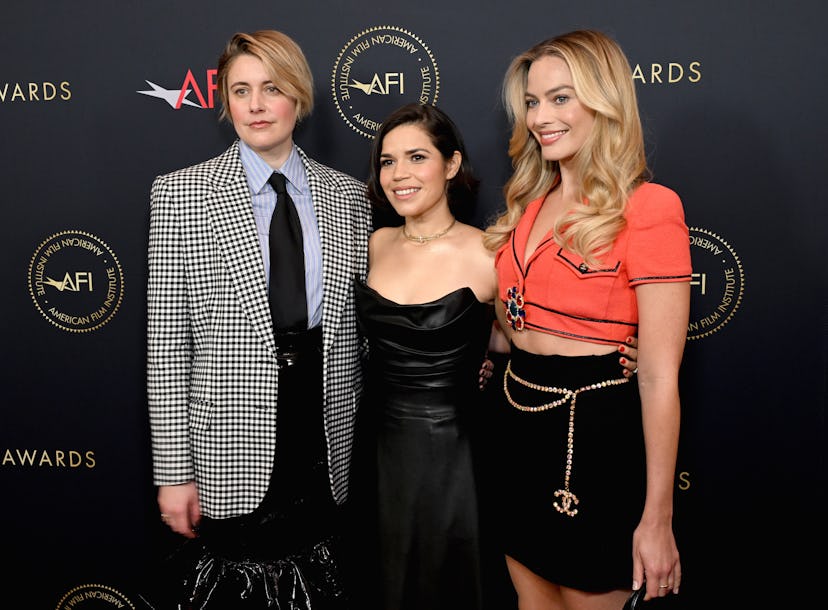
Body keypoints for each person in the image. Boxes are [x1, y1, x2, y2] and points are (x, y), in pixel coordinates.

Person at [350, 102, 641, 610]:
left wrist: (618, 350)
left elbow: (523, 338)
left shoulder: (489, 251)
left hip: (458, 456)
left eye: (417, 157)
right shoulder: (374, 244)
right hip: (378, 451)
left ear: (452, 164)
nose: (399, 175)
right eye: (388, 162)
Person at [146, 30, 371, 609]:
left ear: (298, 96)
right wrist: (174, 475)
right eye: (240, 91)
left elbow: (367, 326)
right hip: (228, 445)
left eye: (271, 89)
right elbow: (168, 347)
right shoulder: (181, 193)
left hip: (324, 432)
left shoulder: (348, 197)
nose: (255, 105)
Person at [483, 30, 690, 610]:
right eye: (532, 102)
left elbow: (657, 376)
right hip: (517, 429)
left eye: (560, 98)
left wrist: (657, 518)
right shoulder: (528, 200)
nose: (541, 117)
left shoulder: (650, 208)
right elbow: (512, 324)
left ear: (604, 101)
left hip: (594, 444)